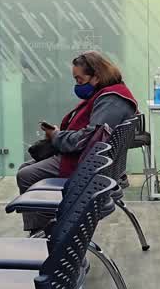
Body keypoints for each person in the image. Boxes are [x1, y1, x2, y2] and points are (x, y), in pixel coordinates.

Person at [15, 51, 137, 232]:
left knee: (26, 176)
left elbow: (88, 139)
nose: (77, 85)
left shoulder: (112, 100)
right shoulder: (108, 95)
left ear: (96, 76)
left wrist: (57, 136)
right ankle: (45, 228)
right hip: (86, 159)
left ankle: (48, 232)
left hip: (87, 165)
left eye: (80, 80)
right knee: (25, 168)